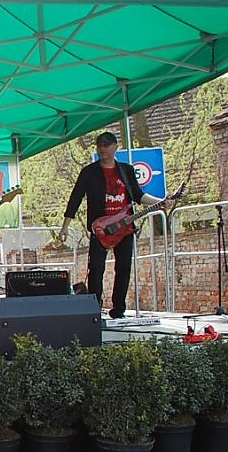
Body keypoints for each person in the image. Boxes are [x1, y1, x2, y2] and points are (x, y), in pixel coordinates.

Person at [59, 131, 165, 319]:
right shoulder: (89, 172)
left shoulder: (126, 170)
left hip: (125, 227)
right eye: (99, 146)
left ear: (115, 147)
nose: (102, 149)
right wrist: (65, 226)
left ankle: (118, 309)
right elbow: (75, 198)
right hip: (101, 228)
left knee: (123, 268)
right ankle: (94, 308)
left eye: (106, 146)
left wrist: (162, 201)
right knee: (96, 269)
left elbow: (138, 195)